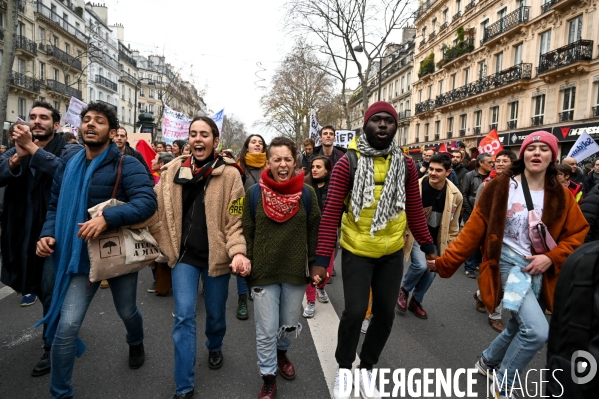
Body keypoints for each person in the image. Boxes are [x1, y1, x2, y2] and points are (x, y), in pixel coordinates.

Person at [427, 131, 588, 399]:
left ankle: (488, 361)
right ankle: (504, 383)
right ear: (522, 154)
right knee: (537, 332)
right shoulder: (500, 187)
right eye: (531, 148)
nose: (537, 153)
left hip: (539, 270)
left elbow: (577, 234)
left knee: (518, 325)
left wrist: (551, 257)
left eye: (544, 149)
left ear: (553, 156)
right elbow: (473, 231)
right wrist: (443, 263)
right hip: (507, 264)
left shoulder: (562, 195)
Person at [314, 101, 435, 399]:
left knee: (384, 315)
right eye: (376, 120)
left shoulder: (406, 164)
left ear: (395, 127)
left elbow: (414, 210)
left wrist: (429, 246)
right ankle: (344, 368)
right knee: (355, 312)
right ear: (365, 125)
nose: (382, 125)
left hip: (391, 251)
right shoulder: (347, 163)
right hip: (357, 249)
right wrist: (320, 260)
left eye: (389, 121)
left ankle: (367, 368)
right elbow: (330, 213)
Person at [35, 101, 157, 399]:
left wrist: (106, 218)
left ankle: (136, 339)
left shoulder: (126, 164)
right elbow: (54, 206)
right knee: (67, 327)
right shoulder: (69, 164)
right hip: (77, 259)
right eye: (86, 119)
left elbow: (147, 202)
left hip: (115, 255)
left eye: (99, 121)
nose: (90, 124)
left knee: (127, 310)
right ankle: (60, 392)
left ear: (112, 131)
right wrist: (48, 234)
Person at [142, 116, 249, 399]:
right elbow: (153, 207)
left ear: (215, 141)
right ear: (188, 139)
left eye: (204, 134)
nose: (198, 139)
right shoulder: (172, 170)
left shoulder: (231, 175)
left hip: (217, 258)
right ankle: (184, 385)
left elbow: (235, 220)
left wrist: (237, 251)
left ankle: (215, 345)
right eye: (193, 134)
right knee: (184, 316)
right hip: (184, 258)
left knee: (215, 315)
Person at [0, 102, 82, 377]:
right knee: (29, 282)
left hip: (53, 234)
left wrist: (32, 150)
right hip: (22, 232)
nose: (37, 121)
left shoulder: (70, 149)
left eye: (44, 118)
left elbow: (65, 172)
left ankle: (52, 346)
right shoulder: (17, 151)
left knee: (50, 289)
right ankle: (63, 329)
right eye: (32, 117)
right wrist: (16, 158)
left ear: (56, 125)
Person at [242, 136, 321, 399]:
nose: (283, 164)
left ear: (296, 161)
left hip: (295, 272)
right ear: (269, 162)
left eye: (288, 158)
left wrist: (316, 267)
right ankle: (268, 376)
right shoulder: (254, 193)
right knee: (266, 330)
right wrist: (247, 267)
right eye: (277, 159)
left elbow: (315, 233)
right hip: (263, 272)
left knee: (288, 324)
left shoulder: (307, 194)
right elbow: (248, 232)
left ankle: (281, 351)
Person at [397, 153, 462, 319]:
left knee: (432, 271)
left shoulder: (456, 195)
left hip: (436, 240)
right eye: (431, 169)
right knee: (421, 265)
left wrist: (451, 244)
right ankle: (404, 290)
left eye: (438, 170)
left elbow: (454, 225)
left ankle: (416, 301)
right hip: (416, 235)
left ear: (448, 172)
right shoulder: (415, 186)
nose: (432, 173)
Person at [472, 149, 517, 333]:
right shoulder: (487, 184)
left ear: (513, 164)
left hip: (512, 240)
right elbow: (477, 212)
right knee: (496, 274)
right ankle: (495, 316)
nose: (499, 163)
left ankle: (480, 294)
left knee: (500, 276)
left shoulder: (519, 185)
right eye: (497, 160)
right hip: (491, 237)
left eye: (504, 161)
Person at [235, 133, 267, 319]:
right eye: (253, 142)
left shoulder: (269, 167)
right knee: (242, 257)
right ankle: (241, 299)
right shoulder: (238, 168)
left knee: (257, 258)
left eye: (260, 143)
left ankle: (251, 287)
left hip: (264, 221)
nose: (257, 145)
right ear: (247, 146)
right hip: (242, 220)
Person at [302, 155, 334, 318]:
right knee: (312, 270)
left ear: (327, 169)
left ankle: (321, 287)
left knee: (327, 270)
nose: (314, 169)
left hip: (329, 235)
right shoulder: (305, 186)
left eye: (318, 167)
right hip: (311, 235)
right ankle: (311, 301)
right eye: (313, 166)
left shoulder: (335, 187)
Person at [460, 152, 494, 278]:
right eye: (489, 162)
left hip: (487, 214)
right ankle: (469, 267)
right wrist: (470, 210)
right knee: (472, 240)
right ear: (480, 163)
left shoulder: (493, 177)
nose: (493, 164)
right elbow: (463, 193)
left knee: (483, 240)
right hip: (472, 212)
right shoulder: (470, 175)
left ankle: (476, 263)